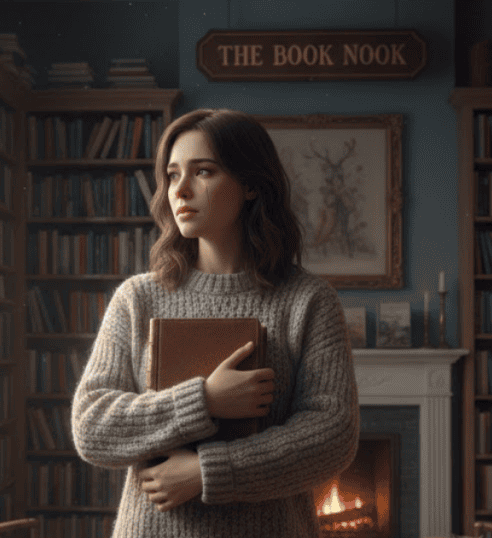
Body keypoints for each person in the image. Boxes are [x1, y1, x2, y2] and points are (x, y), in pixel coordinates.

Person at [70, 108, 360, 537]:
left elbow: (332, 436)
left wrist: (208, 472)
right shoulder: (138, 298)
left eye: (202, 171)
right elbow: (92, 427)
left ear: (250, 185)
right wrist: (203, 400)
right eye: (171, 175)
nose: (180, 190)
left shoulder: (308, 301)